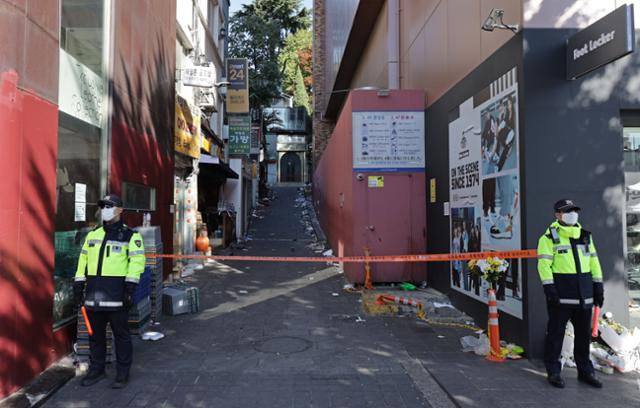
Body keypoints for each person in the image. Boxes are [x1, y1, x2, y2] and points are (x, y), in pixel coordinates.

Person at [73, 194, 145, 389]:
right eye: (103, 206)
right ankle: (97, 370)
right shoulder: (92, 235)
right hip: (93, 298)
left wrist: (130, 289)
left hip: (116, 298)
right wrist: (78, 287)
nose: (105, 209)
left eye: (109, 206)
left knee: (121, 336)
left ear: (120, 210)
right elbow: (83, 262)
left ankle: (123, 373)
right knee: (95, 337)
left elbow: (137, 264)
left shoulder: (131, 236)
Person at [537, 199, 604, 389]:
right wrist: (549, 289)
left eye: (574, 210)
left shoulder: (585, 236)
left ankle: (586, 371)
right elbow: (544, 265)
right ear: (557, 214)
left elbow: (594, 263)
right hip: (561, 297)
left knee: (583, 337)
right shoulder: (548, 238)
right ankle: (554, 372)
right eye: (567, 211)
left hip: (585, 296)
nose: (572, 214)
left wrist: (598, 286)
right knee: (556, 335)